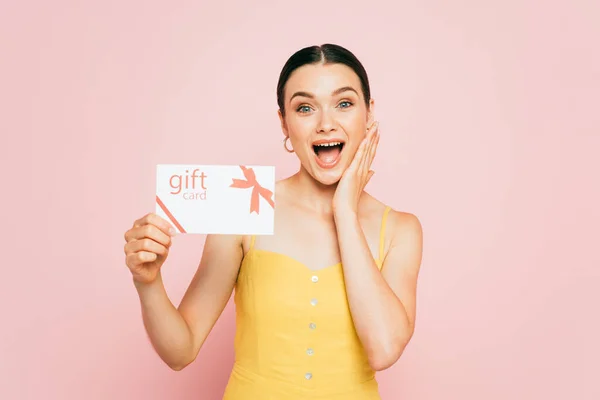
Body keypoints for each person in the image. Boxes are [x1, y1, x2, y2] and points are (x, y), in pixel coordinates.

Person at [123, 43, 423, 399]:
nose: (326, 124)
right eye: (305, 108)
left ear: (369, 114)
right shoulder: (244, 205)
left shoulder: (401, 229)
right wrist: (148, 282)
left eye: (344, 103)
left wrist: (345, 211)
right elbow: (180, 350)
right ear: (284, 121)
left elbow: (384, 349)